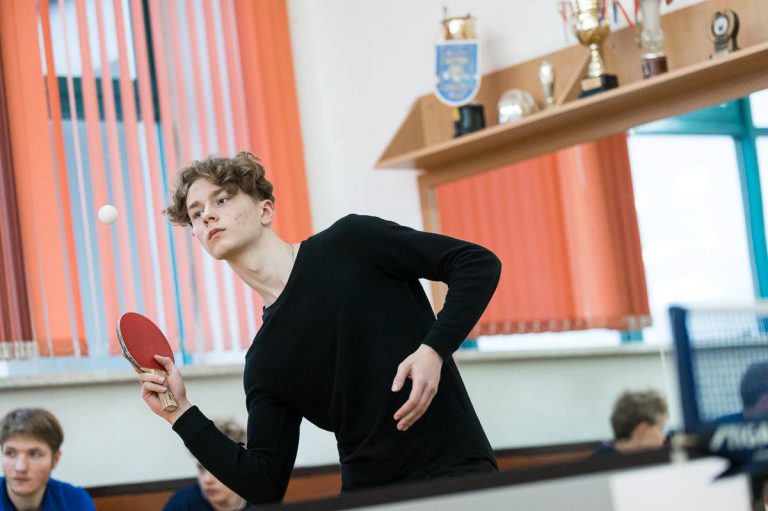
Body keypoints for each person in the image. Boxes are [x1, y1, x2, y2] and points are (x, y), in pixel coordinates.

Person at [136, 152, 502, 505]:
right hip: (368, 497)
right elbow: (264, 484)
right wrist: (179, 411)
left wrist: (433, 349)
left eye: (222, 199)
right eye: (196, 214)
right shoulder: (264, 360)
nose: (208, 216)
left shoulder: (353, 241)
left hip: (455, 473)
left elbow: (475, 264)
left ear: (266, 210)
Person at [0, 408, 95, 510]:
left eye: (34, 455)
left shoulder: (76, 500)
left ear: (55, 459)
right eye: (10, 453)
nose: (20, 467)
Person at [165, 419, 257, 511]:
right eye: (201, 468)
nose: (207, 480)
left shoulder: (260, 501)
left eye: (218, 468)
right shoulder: (182, 502)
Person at [591, 390, 668, 457]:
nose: (663, 438)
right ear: (641, 430)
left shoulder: (603, 457)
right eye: (660, 429)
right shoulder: (601, 464)